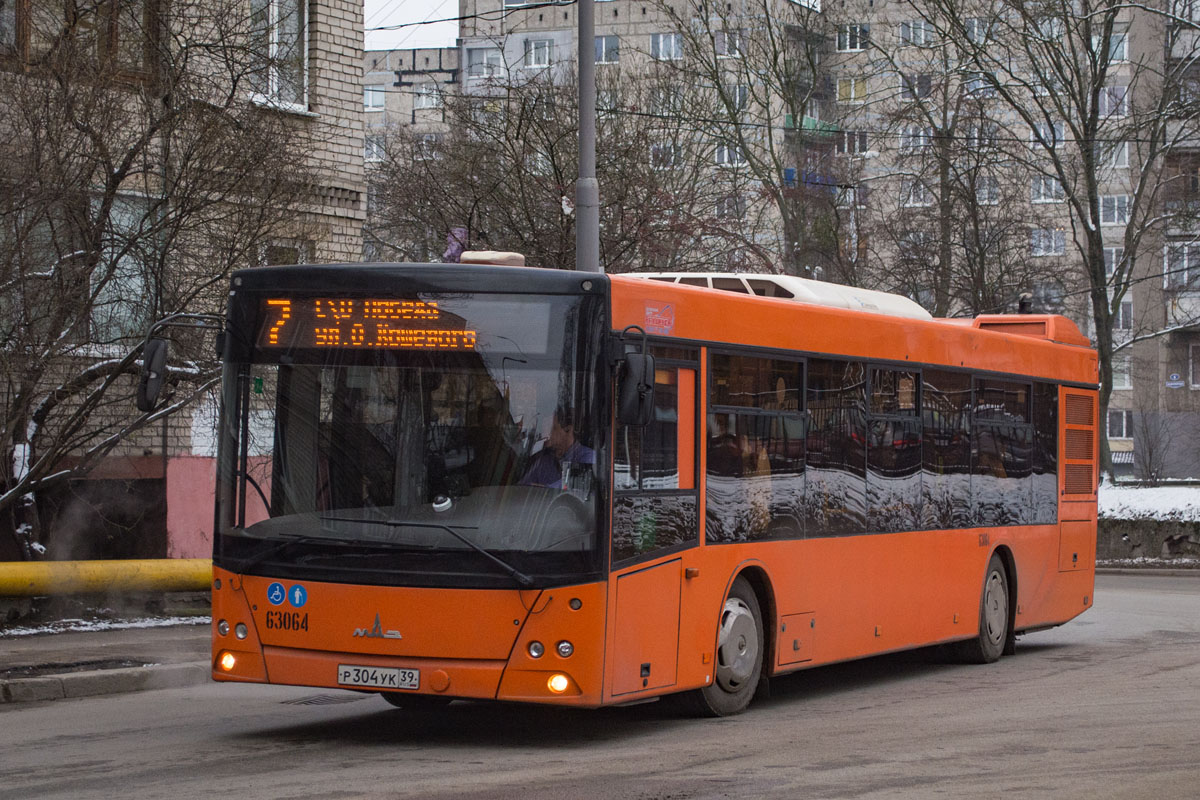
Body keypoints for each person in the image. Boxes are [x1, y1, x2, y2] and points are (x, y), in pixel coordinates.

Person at [520, 408, 595, 488]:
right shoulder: (543, 460)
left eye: (554, 428)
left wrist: (544, 490)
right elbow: (522, 487)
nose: (549, 434)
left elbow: (576, 485)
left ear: (569, 430)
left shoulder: (589, 457)